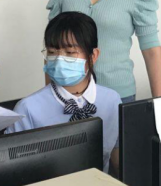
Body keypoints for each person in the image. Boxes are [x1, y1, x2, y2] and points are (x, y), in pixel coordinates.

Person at [6, 12, 121, 173]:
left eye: (70, 53)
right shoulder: (28, 109)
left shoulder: (112, 101)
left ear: (93, 56)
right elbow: (14, 169)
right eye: (52, 53)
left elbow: (119, 158)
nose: (59, 60)